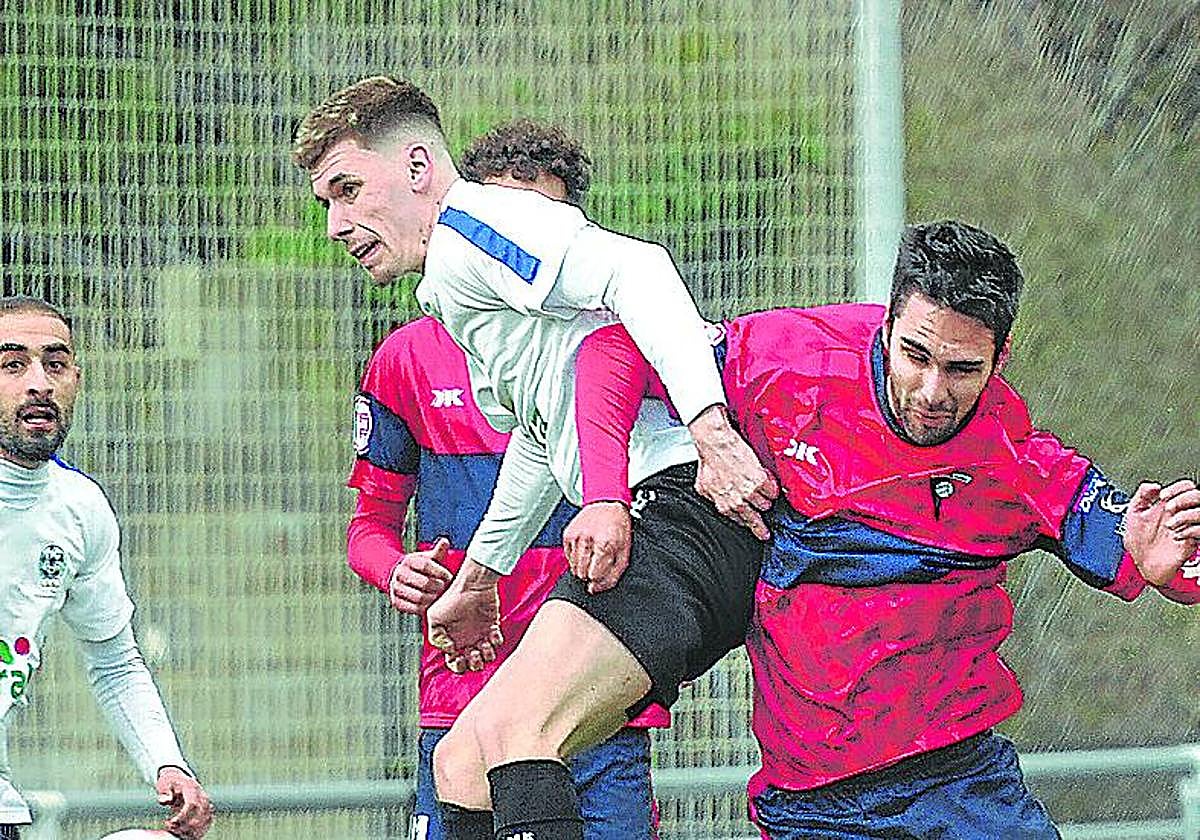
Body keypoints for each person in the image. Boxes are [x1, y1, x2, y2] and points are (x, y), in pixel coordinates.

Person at [569, 220, 1200, 838]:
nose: (931, 390)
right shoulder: (791, 362)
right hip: (814, 807)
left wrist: (1164, 566)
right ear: (888, 324)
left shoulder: (1016, 460)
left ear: (999, 358)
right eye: (915, 355)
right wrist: (607, 497)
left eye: (961, 369)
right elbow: (614, 350)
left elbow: (1142, 552)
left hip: (962, 785)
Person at [293, 75, 777, 840]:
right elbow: (544, 438)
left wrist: (713, 435)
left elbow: (639, 270)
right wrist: (480, 579)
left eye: (348, 190)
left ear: (418, 168)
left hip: (682, 511)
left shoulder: (474, 223)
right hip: (663, 517)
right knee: (461, 759)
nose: (336, 223)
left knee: (521, 738)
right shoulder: (450, 282)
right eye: (326, 202)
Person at [346, 118, 670, 840]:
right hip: (463, 687)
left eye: (542, 222)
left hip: (594, 692)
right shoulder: (407, 358)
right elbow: (367, 528)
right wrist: (395, 570)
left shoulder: (609, 344)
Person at [0, 296, 214, 840]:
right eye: (12, 364)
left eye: (55, 363)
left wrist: (167, 763)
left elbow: (115, 662)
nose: (39, 383)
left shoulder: (80, 508)